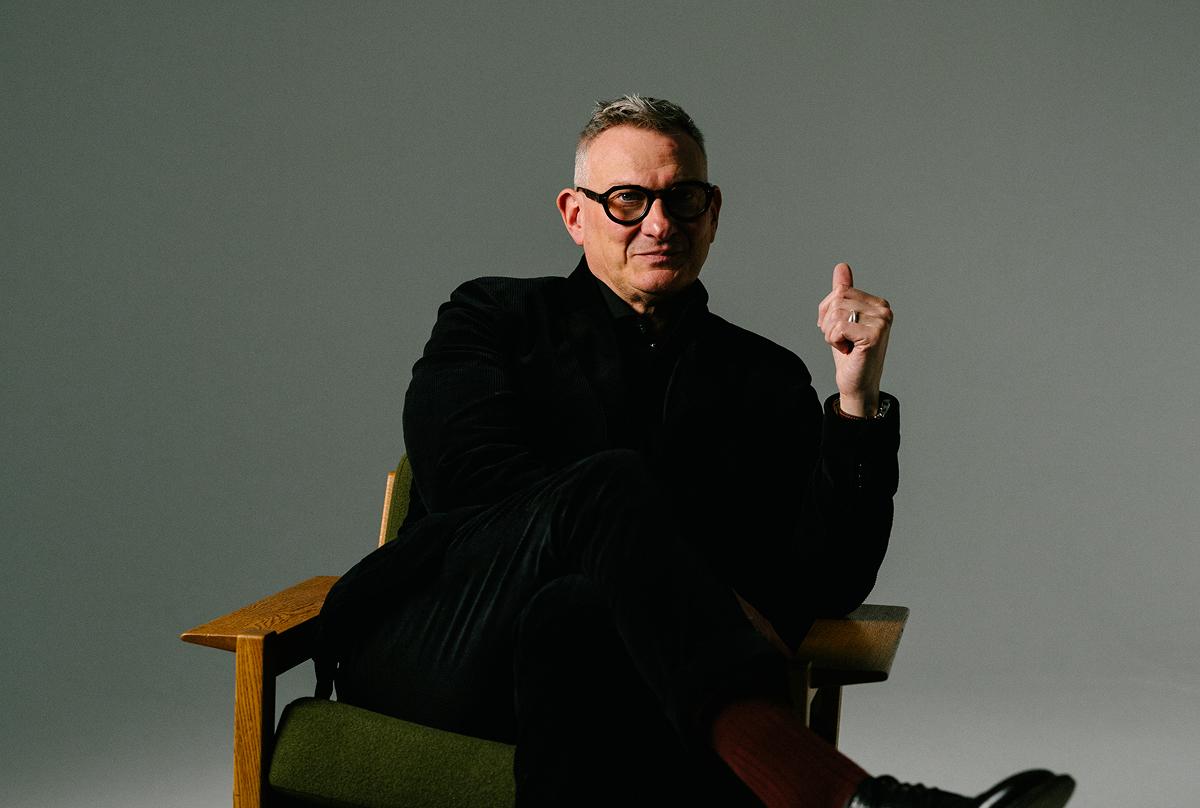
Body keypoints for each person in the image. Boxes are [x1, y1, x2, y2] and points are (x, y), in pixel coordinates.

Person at [315, 95, 1075, 808]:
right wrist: (696, 585)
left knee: (580, 617)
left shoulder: (766, 377)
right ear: (575, 215)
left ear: (712, 215)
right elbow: (468, 481)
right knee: (608, 489)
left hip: (618, 667)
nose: (658, 224)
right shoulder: (492, 315)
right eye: (627, 200)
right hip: (445, 640)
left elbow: (828, 580)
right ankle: (837, 794)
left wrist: (856, 401)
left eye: (682, 199)